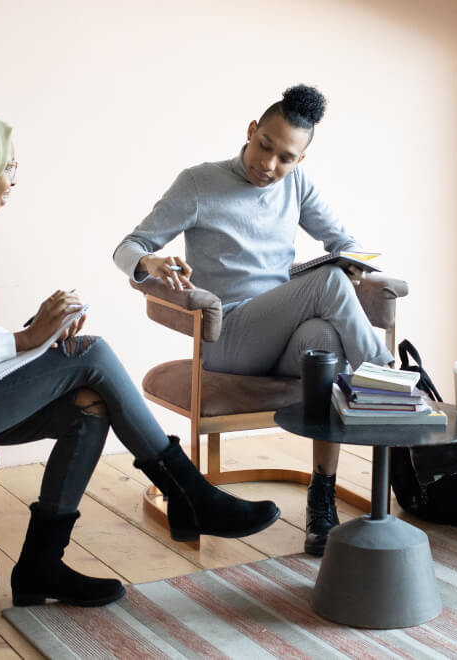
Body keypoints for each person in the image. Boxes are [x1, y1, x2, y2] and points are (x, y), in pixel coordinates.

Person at [0, 106, 280, 608]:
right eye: (5, 167)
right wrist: (23, 341)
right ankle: (192, 496)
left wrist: (38, 332)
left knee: (88, 404)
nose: (12, 181)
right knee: (91, 354)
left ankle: (40, 567)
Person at [112, 85, 392, 556]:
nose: (269, 164)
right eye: (265, 145)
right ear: (251, 130)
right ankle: (394, 388)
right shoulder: (199, 183)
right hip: (228, 338)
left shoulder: (296, 185)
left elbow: (347, 242)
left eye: (285, 158)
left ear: (300, 161)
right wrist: (151, 263)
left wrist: (352, 263)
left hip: (280, 340)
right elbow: (128, 246)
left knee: (323, 339)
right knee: (326, 284)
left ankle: (322, 495)